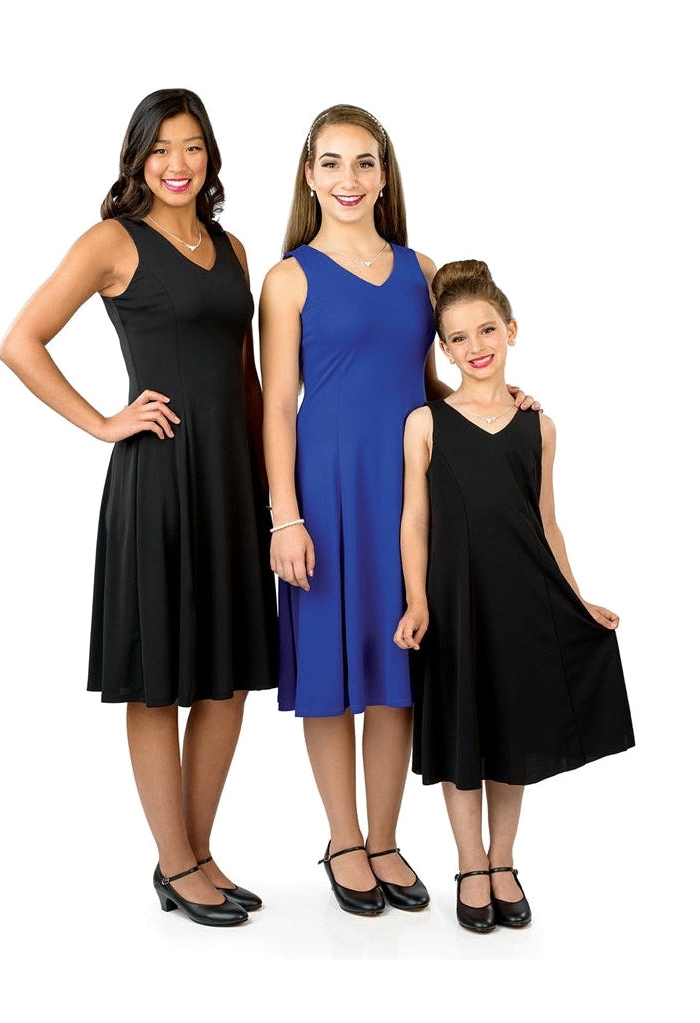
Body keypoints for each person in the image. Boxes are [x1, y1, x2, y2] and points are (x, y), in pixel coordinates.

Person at [0, 88, 278, 927]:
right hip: (157, 481)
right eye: (160, 149)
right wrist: (103, 422)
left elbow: (247, 377)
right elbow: (19, 342)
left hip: (232, 482)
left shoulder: (231, 247)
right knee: (158, 683)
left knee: (229, 678)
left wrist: (275, 491)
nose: (177, 164)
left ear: (209, 155)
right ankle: (176, 861)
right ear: (138, 159)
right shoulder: (112, 242)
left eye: (191, 147)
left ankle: (194, 851)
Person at [259, 105, 537, 915]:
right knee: (327, 670)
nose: (348, 179)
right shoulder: (288, 278)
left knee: (395, 667)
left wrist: (495, 399)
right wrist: (284, 516)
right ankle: (343, 838)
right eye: (331, 162)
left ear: (384, 175)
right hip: (324, 491)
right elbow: (276, 406)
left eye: (364, 162)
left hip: (411, 490)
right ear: (309, 175)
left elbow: (430, 380)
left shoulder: (422, 268)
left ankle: (383, 838)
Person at [393, 259, 635, 932]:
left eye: (486, 330)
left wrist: (575, 599)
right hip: (454, 601)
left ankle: (503, 860)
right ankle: (469, 862)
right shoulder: (425, 423)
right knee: (462, 729)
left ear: (511, 330)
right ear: (443, 351)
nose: (475, 347)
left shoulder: (539, 426)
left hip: (522, 598)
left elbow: (546, 523)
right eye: (458, 338)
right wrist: (417, 600)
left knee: (510, 728)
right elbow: (414, 520)